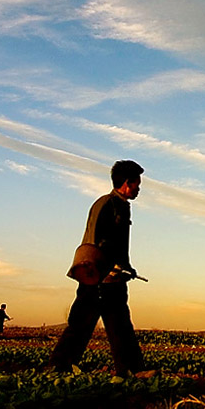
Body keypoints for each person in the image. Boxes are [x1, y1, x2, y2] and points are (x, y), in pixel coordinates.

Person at [49, 160, 146, 377]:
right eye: (137, 184)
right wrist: (100, 269)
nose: (139, 189)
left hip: (114, 279)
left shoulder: (123, 206)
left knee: (120, 326)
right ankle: (58, 367)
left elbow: (118, 248)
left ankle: (131, 370)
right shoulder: (105, 204)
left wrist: (126, 267)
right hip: (97, 280)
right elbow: (92, 241)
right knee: (80, 324)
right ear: (126, 183)